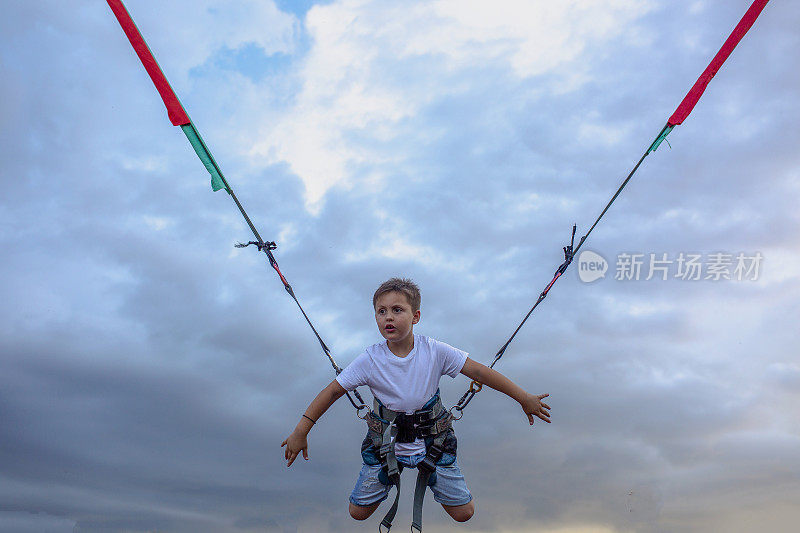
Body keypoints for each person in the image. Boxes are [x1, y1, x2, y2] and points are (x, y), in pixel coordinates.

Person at [281, 277, 551, 525]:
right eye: (381, 311)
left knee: (464, 514)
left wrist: (523, 397)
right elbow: (332, 392)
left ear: (415, 316)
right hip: (386, 443)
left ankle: (432, 473)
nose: (388, 317)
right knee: (357, 513)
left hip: (433, 441)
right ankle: (388, 473)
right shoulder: (370, 360)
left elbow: (479, 372)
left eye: (397, 310)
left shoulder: (434, 351)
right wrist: (301, 431)